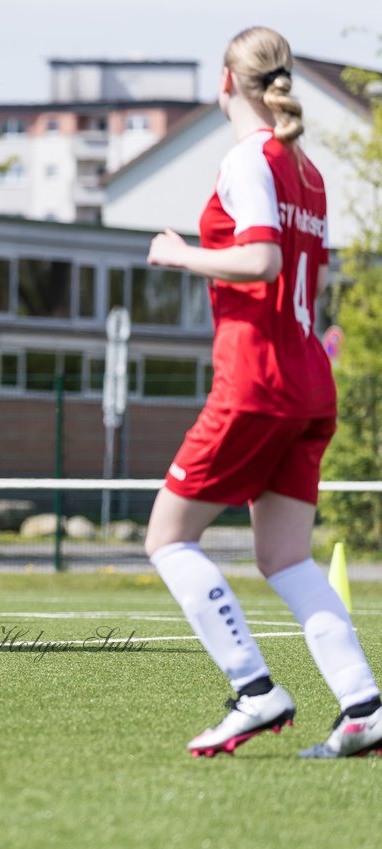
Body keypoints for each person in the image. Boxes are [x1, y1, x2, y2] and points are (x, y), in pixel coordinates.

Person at [144, 26, 381, 759]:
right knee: (286, 559)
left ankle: (254, 691)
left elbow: (262, 260)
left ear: (226, 82)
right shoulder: (305, 170)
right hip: (309, 380)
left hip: (258, 379)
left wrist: (181, 254)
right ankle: (364, 708)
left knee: (168, 538)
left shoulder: (250, 158)